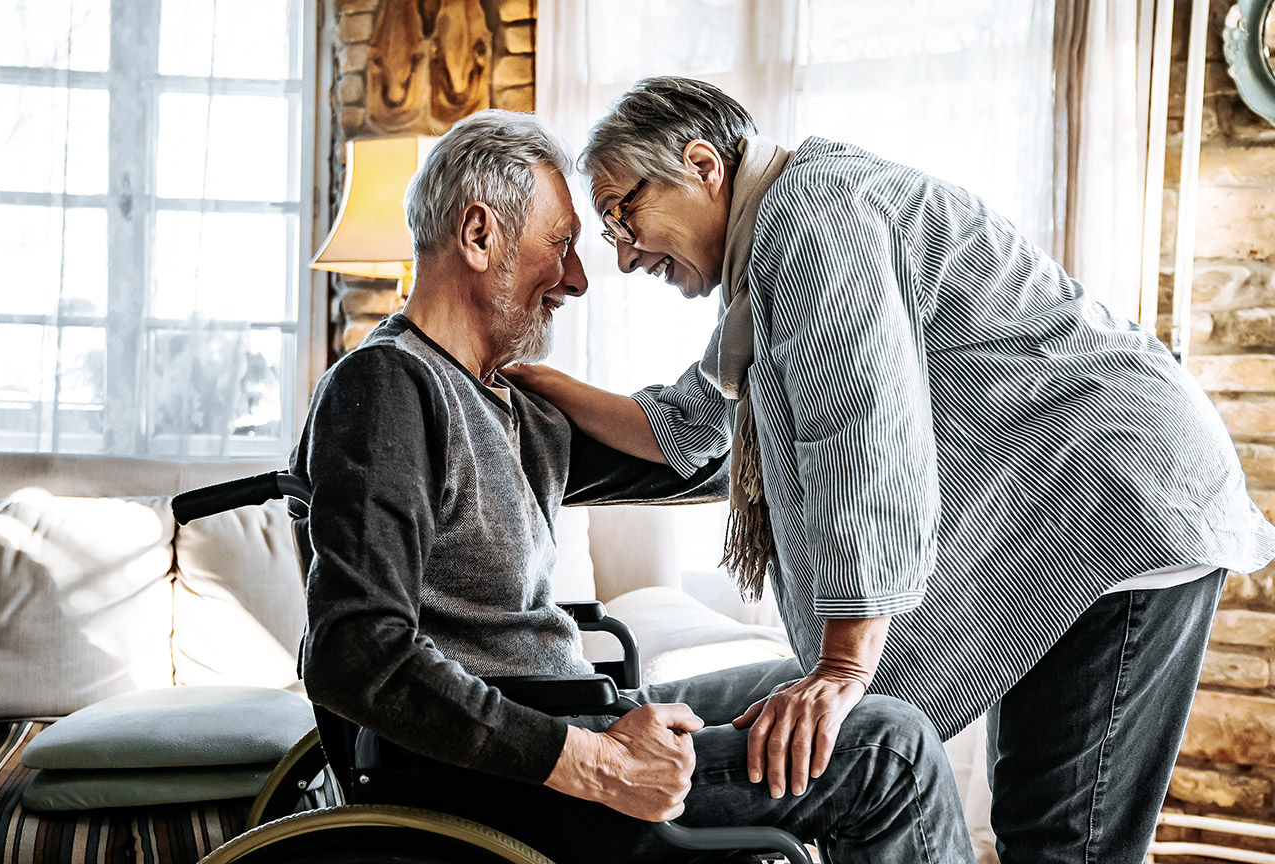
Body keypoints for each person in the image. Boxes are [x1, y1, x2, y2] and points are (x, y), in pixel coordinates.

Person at [503, 75, 1275, 863]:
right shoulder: (767, 258)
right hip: (1088, 506)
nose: (625, 257)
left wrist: (844, 664)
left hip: (1126, 498)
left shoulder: (812, 219)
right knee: (1037, 822)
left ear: (702, 165)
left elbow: (861, 435)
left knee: (1067, 841)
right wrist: (534, 382)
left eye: (622, 216)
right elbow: (690, 426)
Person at [290, 109, 977, 863]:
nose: (580, 279)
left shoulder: (509, 405)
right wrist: (596, 763)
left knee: (851, 688)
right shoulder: (389, 387)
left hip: (576, 713)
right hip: (513, 770)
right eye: (560, 244)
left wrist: (825, 349)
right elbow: (355, 651)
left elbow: (705, 459)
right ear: (480, 235)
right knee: (891, 752)